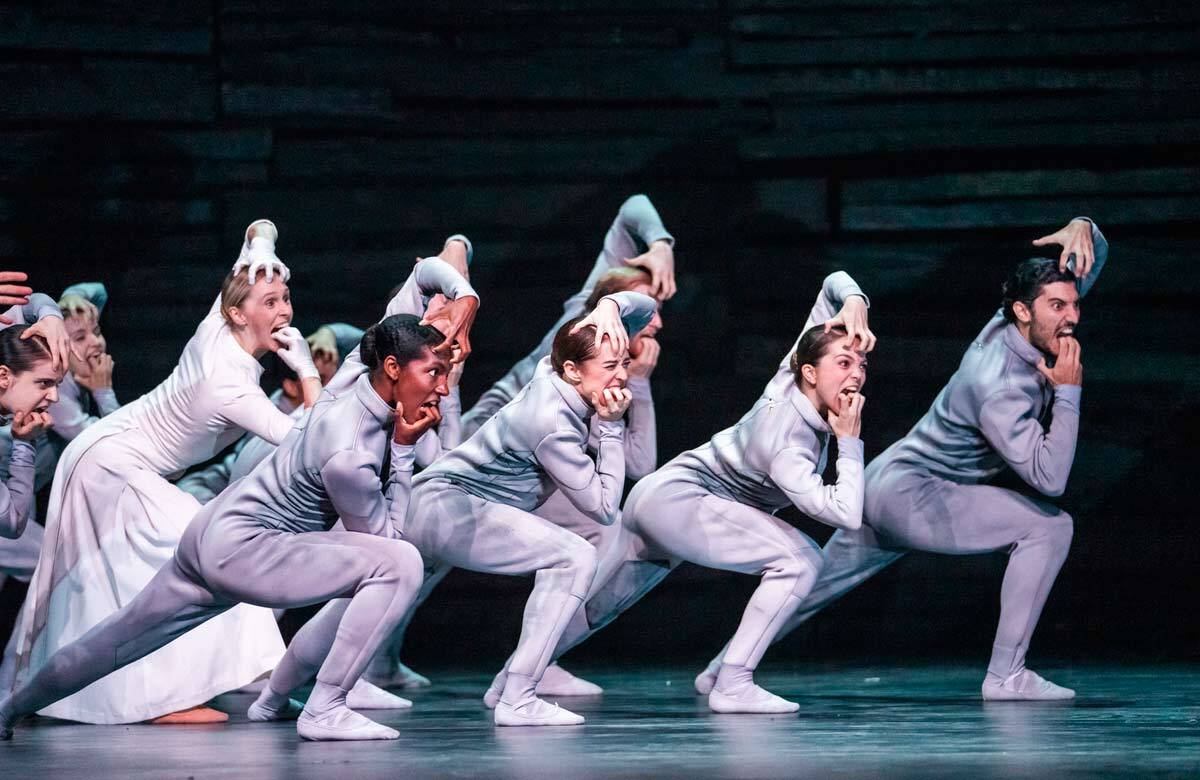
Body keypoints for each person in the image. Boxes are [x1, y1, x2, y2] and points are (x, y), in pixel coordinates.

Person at [693, 218, 1107, 702]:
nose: (1071, 315)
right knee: (1049, 527)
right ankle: (1006, 676)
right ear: (1022, 310)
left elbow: (1079, 273)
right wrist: (1069, 394)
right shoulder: (995, 384)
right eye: (1058, 306)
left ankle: (719, 670)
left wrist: (1086, 229)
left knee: (814, 587)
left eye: (1073, 304)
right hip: (916, 494)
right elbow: (1050, 478)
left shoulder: (1016, 323)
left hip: (887, 482)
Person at [0, 314, 446, 742]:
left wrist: (458, 297)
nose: (443, 387)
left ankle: (10, 708)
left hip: (210, 532)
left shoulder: (351, 376)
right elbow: (386, 541)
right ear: (392, 368)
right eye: (433, 373)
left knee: (115, 641)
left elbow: (399, 311)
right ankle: (325, 706)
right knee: (400, 564)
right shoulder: (350, 455)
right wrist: (405, 451)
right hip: (246, 550)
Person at [485, 272, 874, 715]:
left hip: (661, 497)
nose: (856, 374)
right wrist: (849, 441)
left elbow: (831, 285)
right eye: (844, 363)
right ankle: (733, 681)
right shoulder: (786, 440)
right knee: (802, 560)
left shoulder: (791, 375)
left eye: (861, 364)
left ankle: (510, 683)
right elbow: (844, 514)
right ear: (809, 371)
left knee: (598, 605)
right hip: (680, 501)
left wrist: (854, 301)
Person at [6, 220, 322, 725]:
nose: (283, 310)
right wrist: (305, 369)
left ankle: (228, 686)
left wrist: (263, 242)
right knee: (211, 551)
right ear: (237, 313)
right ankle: (169, 698)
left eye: (285, 297)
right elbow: (314, 441)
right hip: (112, 462)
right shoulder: (228, 380)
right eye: (270, 301)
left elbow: (256, 233)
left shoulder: (216, 326)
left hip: (110, 457)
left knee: (107, 581)